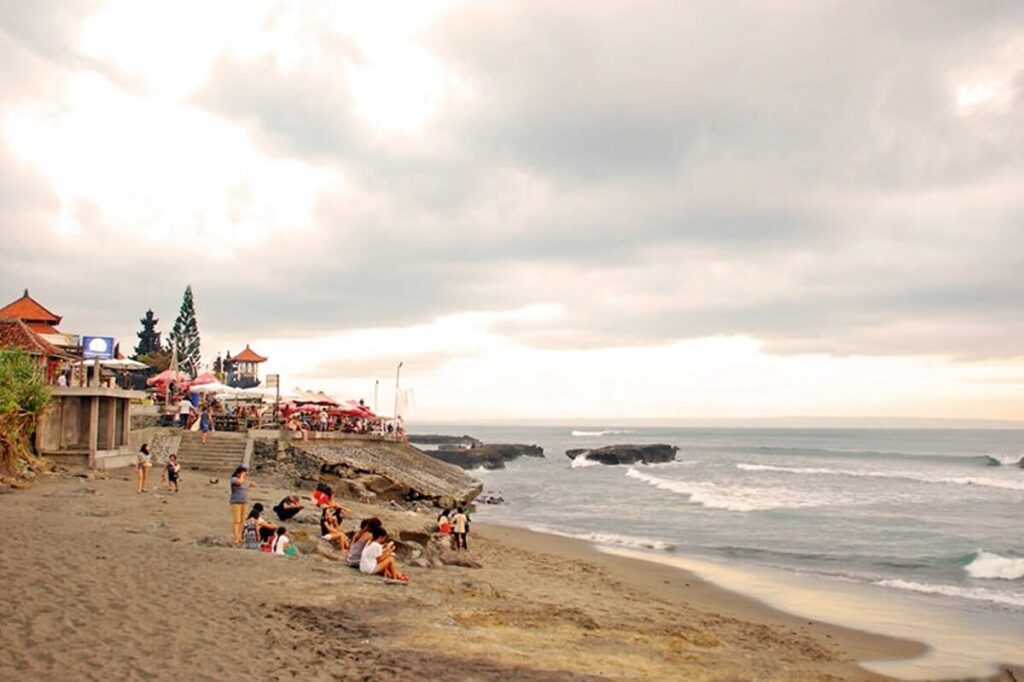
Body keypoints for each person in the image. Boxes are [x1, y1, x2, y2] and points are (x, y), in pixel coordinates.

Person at [229, 466, 254, 547]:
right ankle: (236, 537)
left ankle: (239, 536)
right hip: (236, 502)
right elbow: (239, 483)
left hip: (244, 502)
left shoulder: (243, 481)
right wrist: (242, 475)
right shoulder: (234, 479)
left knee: (243, 520)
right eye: (243, 472)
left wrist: (249, 486)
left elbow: (244, 490)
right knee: (237, 520)